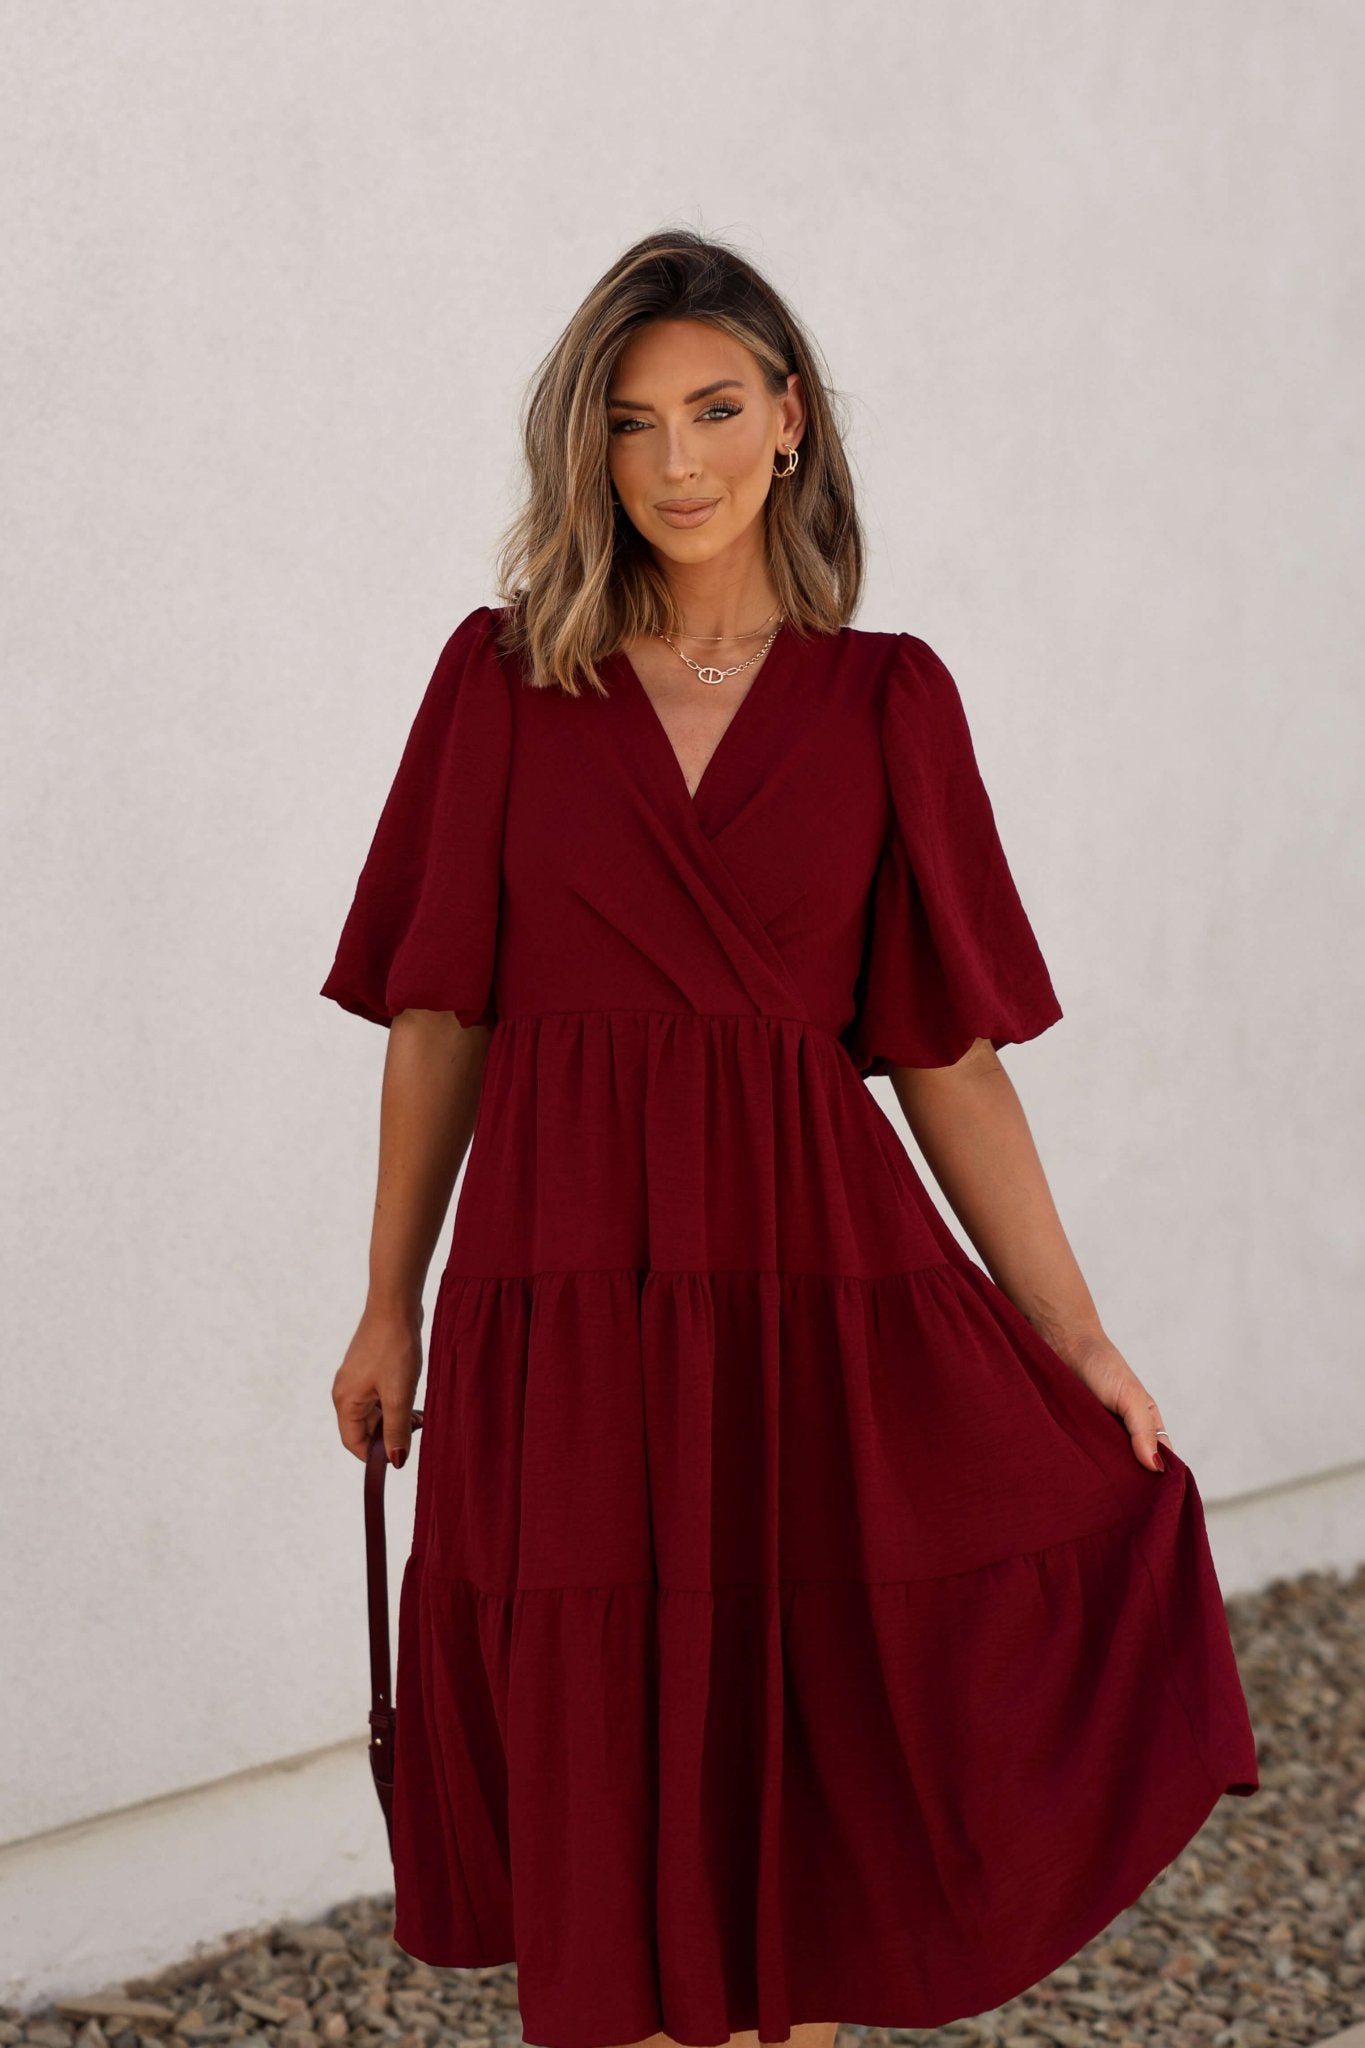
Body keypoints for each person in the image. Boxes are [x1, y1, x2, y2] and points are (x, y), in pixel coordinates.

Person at [320, 228, 1259, 2048]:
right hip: (564, 1285)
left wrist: (1075, 1342)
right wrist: (389, 1303)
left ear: (788, 426)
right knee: (597, 1734)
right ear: (583, 450)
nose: (673, 461)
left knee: (797, 1733)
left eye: (713, 410)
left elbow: (949, 1059)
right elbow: (439, 1018)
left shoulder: (888, 697)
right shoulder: (499, 681)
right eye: (629, 421)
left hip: (808, 1288)